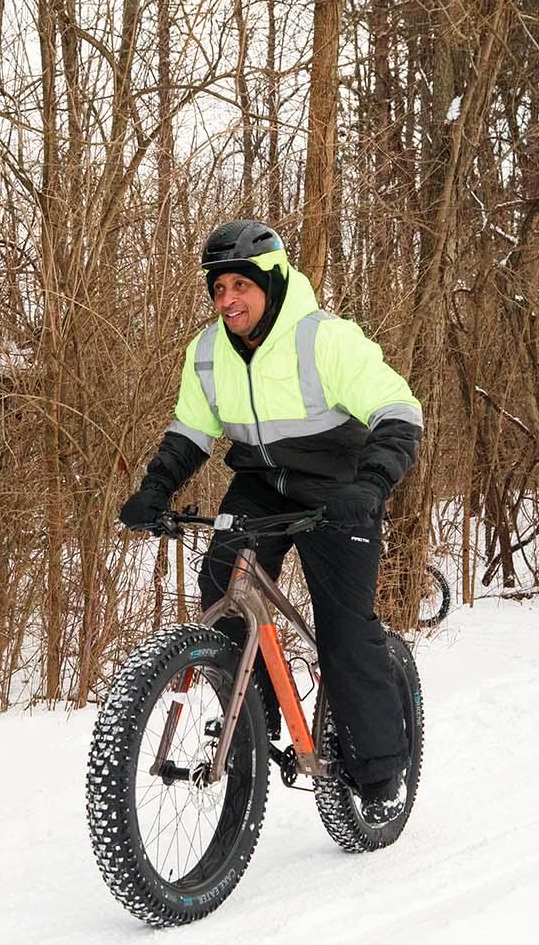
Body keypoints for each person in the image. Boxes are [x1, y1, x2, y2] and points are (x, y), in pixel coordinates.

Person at [116, 220, 423, 806]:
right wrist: (155, 488)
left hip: (340, 486)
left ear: (273, 282)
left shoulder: (324, 339)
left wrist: (373, 482)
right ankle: (252, 720)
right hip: (261, 484)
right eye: (217, 288)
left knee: (343, 627)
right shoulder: (206, 352)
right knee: (220, 585)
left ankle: (382, 767)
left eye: (239, 285)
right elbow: (190, 431)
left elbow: (398, 409)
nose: (226, 300)